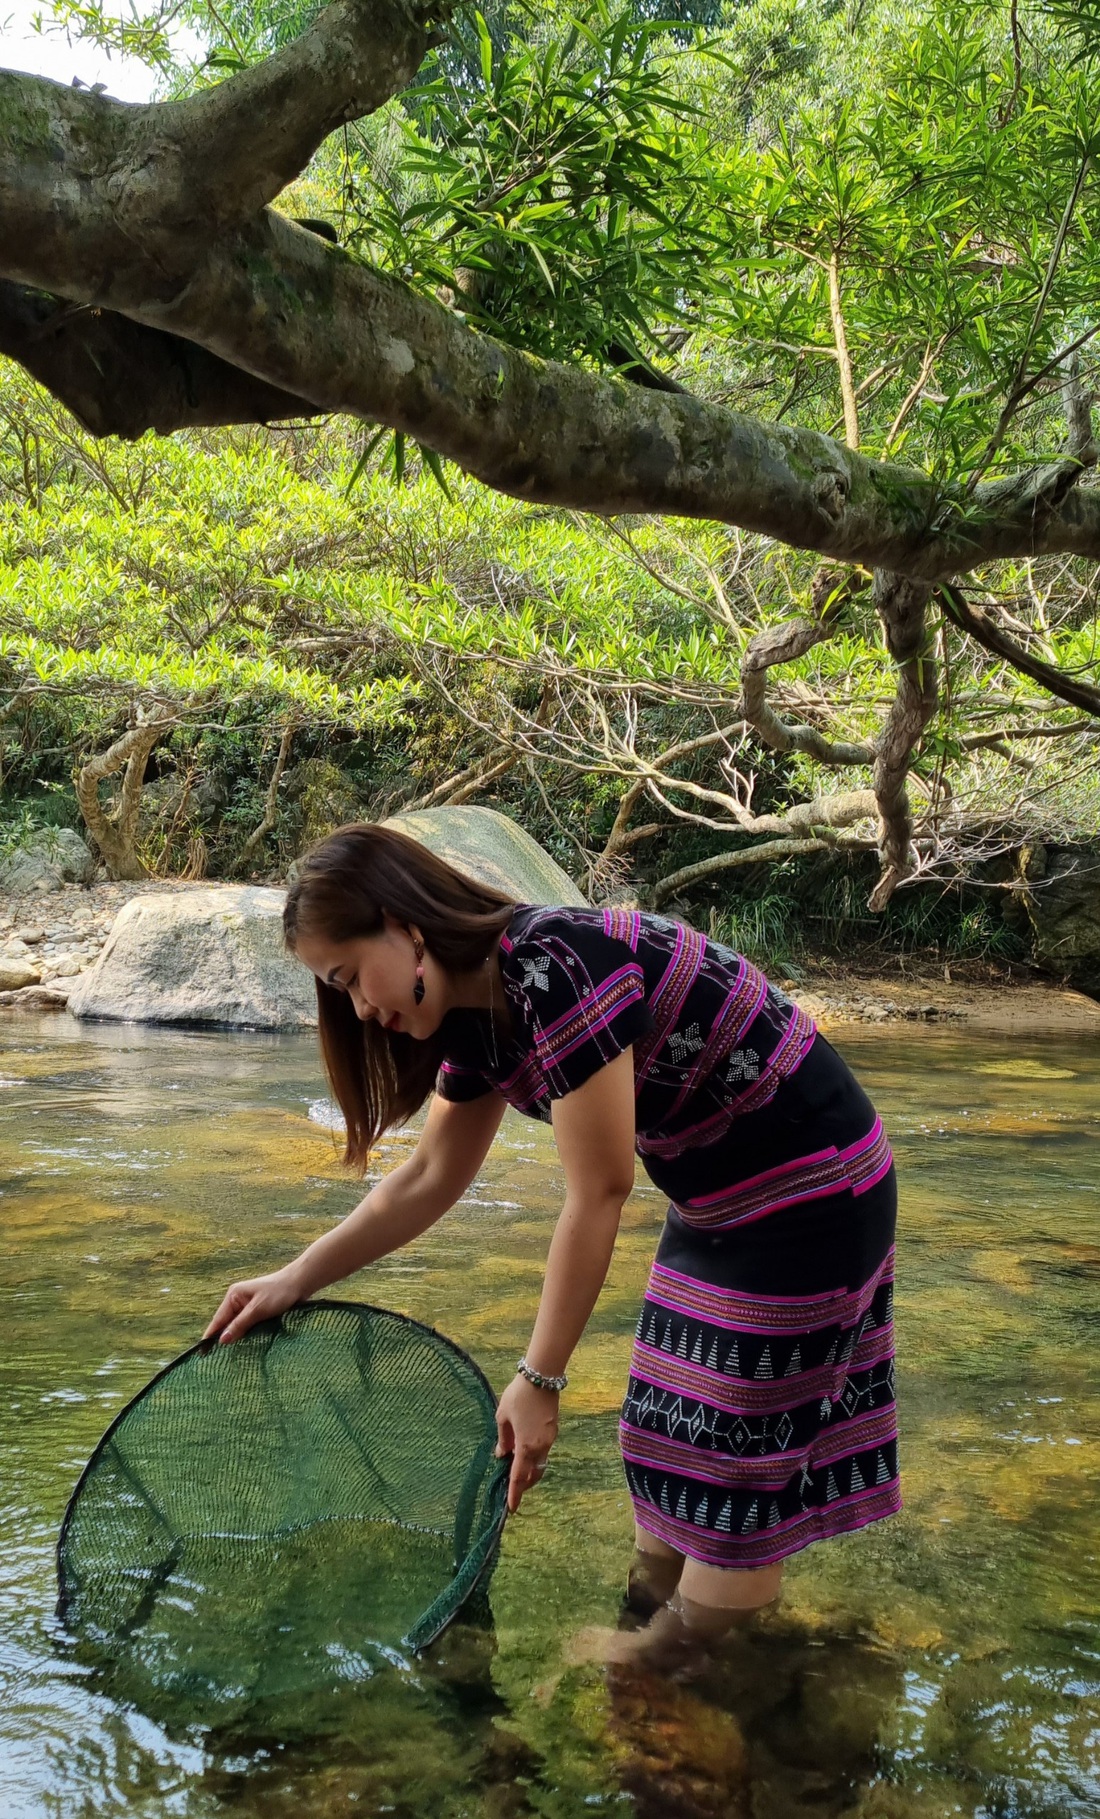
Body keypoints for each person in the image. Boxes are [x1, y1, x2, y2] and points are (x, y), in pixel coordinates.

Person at [205, 824, 899, 1652]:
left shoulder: (555, 964)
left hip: (813, 1187)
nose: (359, 1008)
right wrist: (295, 1277)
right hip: (715, 1199)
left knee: (731, 1466)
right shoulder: (472, 1017)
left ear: (405, 925)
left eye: (351, 977)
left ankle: (680, 1663)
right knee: (658, 1431)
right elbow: (429, 1178)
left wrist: (540, 1377)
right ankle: (659, 1628)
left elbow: (600, 1190)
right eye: (338, 990)